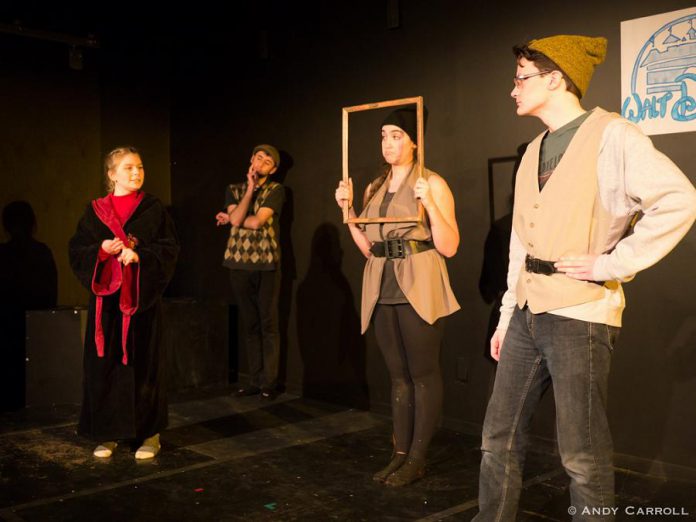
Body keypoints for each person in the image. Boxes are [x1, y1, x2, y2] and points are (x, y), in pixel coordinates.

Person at [474, 35, 696, 520]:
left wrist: (611, 265)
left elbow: (679, 199)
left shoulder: (613, 135)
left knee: (581, 454)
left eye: (521, 78)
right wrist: (507, 314)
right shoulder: (533, 149)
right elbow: (521, 243)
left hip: (580, 314)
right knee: (498, 439)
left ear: (555, 78)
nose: (513, 89)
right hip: (527, 313)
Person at [335, 107, 460, 486]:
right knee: (398, 377)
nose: (388, 143)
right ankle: (400, 454)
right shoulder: (375, 187)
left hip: (418, 280)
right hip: (382, 282)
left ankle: (417, 457)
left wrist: (432, 204)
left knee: (422, 374)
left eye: (396, 135)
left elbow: (450, 246)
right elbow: (369, 246)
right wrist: (349, 210)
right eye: (384, 135)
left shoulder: (432, 183)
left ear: (413, 140)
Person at [69, 146, 179, 460]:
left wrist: (140, 255)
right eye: (128, 168)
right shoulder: (95, 211)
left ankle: (149, 435)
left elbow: (169, 249)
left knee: (143, 367)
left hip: (140, 304)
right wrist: (102, 250)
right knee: (106, 366)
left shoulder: (152, 208)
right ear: (112, 174)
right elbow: (78, 250)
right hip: (107, 304)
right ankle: (107, 433)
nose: (136, 173)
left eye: (140, 167)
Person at [216, 144, 285, 400]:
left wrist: (232, 218)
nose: (263, 162)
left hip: (267, 264)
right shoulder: (233, 189)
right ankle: (254, 380)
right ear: (251, 160)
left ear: (274, 169)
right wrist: (248, 190)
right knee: (250, 323)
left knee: (268, 322)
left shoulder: (276, 190)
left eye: (268, 160)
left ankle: (270, 382)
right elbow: (237, 218)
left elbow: (254, 221)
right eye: (259, 157)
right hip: (238, 263)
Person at [0, 201, 57, 411]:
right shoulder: (41, 252)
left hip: (7, 328)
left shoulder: (3, 254)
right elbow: (51, 294)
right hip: (37, 329)